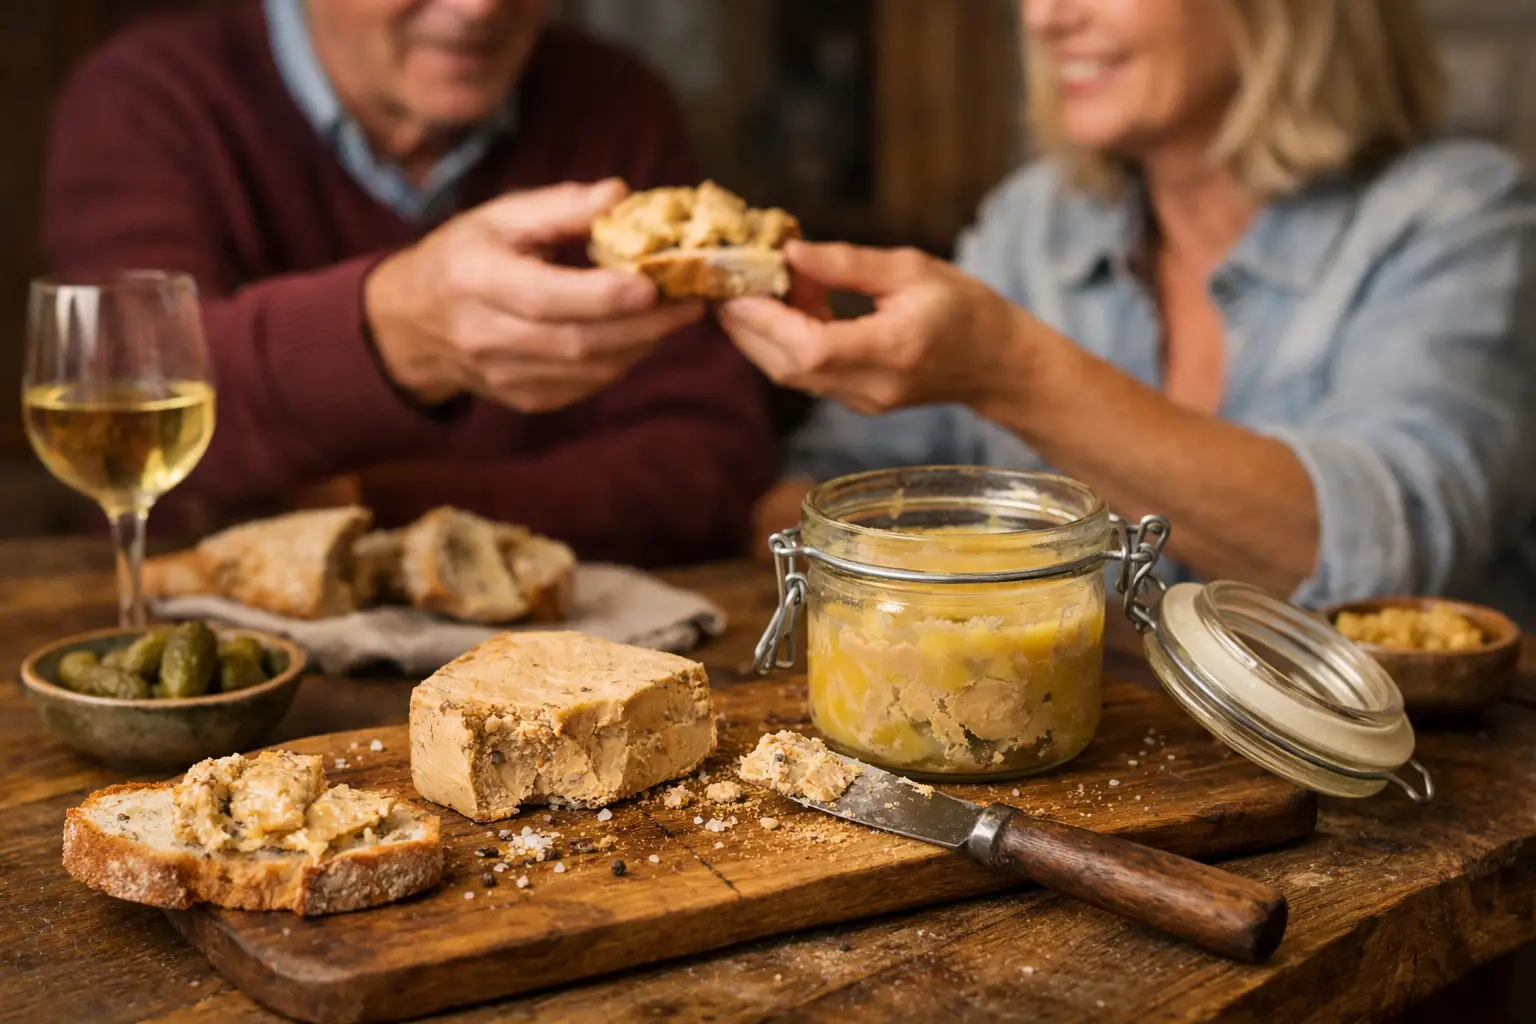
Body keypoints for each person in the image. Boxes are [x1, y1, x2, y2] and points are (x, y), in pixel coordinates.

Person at [727, 0, 1536, 624]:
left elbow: (1389, 563)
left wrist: (1011, 370)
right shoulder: (1035, 220)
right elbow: (815, 496)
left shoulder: (1458, 215)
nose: (1045, 17)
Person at [41, 0, 777, 568]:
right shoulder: (146, 99)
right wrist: (393, 335)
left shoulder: (617, 102)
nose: (480, 8)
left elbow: (710, 461)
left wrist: (371, 504)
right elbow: (129, 410)